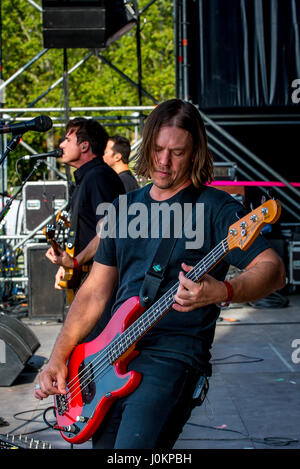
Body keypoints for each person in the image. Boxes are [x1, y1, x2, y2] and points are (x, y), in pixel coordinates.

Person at [35, 99, 286, 449]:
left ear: (195, 153)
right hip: (108, 355)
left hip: (172, 356)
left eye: (178, 152)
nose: (164, 162)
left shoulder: (216, 209)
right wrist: (59, 357)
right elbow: (93, 293)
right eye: (157, 149)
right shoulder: (125, 207)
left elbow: (273, 270)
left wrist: (223, 291)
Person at [45, 117, 125, 294]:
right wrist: (67, 266)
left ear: (84, 146)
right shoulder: (86, 179)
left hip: (102, 282)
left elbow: (108, 232)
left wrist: (74, 262)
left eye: (67, 140)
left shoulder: (98, 177)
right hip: (89, 276)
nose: (61, 145)